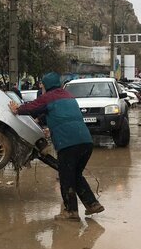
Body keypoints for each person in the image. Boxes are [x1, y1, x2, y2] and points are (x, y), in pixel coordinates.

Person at [9, 72, 104, 221]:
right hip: (86, 142)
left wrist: (17, 109)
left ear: (46, 85)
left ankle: (70, 211)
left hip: (68, 143)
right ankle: (92, 204)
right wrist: (45, 125)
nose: (42, 87)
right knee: (75, 175)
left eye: (42, 85)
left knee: (66, 177)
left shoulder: (48, 97)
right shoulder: (68, 96)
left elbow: (32, 107)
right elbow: (57, 114)